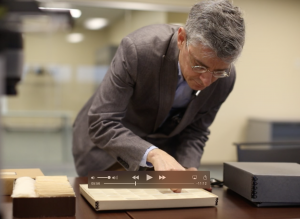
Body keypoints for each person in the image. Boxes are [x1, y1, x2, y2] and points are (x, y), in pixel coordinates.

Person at [72, 0, 245, 179]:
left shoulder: (226, 79)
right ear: (181, 39)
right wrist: (152, 153)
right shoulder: (139, 50)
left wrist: (188, 167)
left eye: (218, 71)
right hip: (107, 147)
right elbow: (102, 121)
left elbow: (196, 130)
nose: (207, 80)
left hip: (163, 153)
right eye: (199, 66)